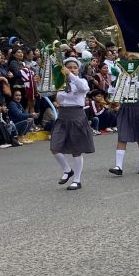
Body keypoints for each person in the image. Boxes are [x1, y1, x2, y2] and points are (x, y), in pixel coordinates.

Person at [50, 57, 95, 190]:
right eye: (69, 67)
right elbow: (47, 93)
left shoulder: (80, 81)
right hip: (62, 116)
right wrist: (39, 84)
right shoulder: (59, 83)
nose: (72, 69)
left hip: (76, 116)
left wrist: (70, 75)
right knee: (54, 147)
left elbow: (84, 88)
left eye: (75, 67)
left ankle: (77, 180)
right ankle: (67, 170)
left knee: (76, 150)